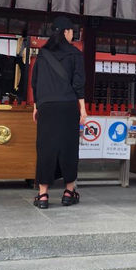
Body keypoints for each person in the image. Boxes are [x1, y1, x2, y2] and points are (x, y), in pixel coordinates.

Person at [31, 15, 87, 209]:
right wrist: (83, 109)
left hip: (47, 106)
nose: (73, 35)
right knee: (69, 147)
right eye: (72, 32)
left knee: (45, 147)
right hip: (68, 106)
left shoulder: (43, 54)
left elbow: (35, 82)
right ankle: (69, 192)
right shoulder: (75, 54)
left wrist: (36, 106)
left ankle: (43, 195)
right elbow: (78, 83)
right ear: (66, 32)